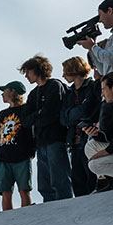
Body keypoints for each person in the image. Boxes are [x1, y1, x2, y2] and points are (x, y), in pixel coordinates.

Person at [19, 56, 72, 202]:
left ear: (37, 70)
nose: (26, 75)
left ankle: (66, 209)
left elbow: (51, 113)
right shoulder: (33, 94)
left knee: (60, 180)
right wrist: (39, 115)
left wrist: (36, 117)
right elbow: (25, 121)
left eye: (28, 71)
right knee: (44, 184)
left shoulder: (54, 85)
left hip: (56, 139)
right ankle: (49, 213)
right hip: (40, 143)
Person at [0, 81, 35, 210]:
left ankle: (27, 216)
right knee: (5, 192)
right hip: (2, 158)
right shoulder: (2, 114)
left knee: (24, 190)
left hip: (22, 157)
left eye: (5, 91)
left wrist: (31, 151)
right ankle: (7, 221)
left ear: (12, 92)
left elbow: (31, 131)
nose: (2, 94)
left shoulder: (25, 110)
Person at [61, 58, 102, 197]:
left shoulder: (92, 86)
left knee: (92, 179)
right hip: (74, 141)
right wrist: (78, 112)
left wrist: (74, 113)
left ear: (74, 70)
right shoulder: (68, 93)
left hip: (90, 138)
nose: (63, 76)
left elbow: (89, 110)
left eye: (65, 72)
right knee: (78, 183)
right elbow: (64, 119)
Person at [77, 0, 113, 81]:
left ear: (109, 11)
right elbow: (103, 70)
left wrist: (93, 47)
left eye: (100, 15)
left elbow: (110, 58)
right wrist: (91, 48)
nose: (99, 20)